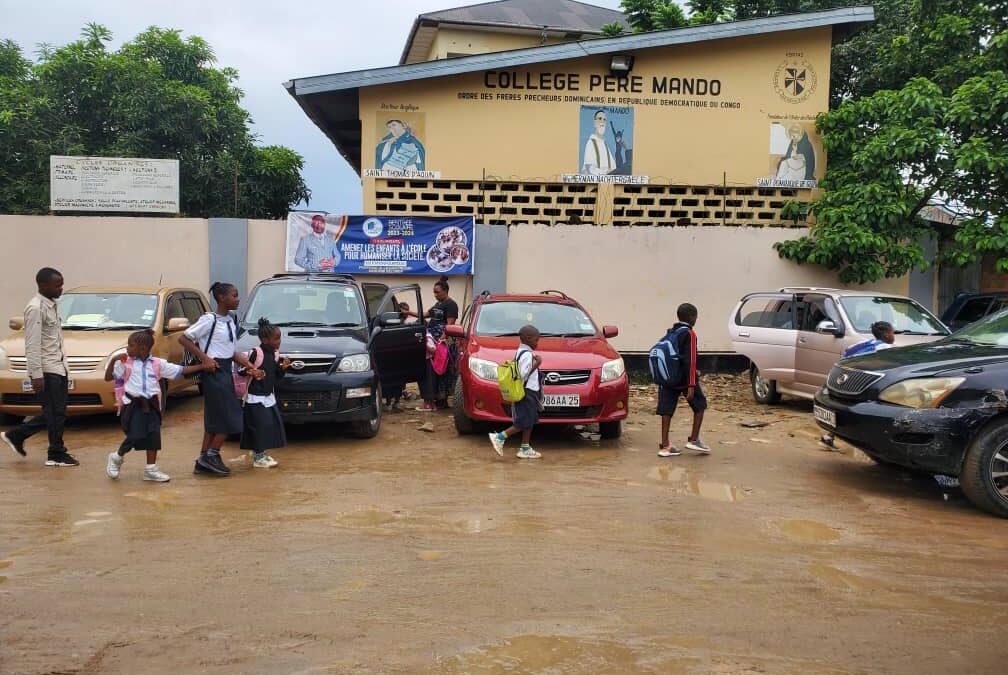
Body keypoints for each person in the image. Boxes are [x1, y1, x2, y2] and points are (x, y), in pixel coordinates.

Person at [179, 282, 264, 477]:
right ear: (221, 298)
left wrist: (251, 367)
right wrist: (205, 359)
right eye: (234, 295)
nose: (238, 299)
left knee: (214, 419)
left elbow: (231, 351)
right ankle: (212, 455)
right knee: (232, 417)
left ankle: (202, 460)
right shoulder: (209, 320)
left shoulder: (231, 320)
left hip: (226, 370)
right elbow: (184, 338)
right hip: (214, 372)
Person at [103, 329, 205, 482]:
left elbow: (181, 370)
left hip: (152, 405)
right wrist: (113, 360)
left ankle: (150, 469)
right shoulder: (125, 363)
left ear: (143, 348)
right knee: (135, 434)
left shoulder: (158, 364)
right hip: (133, 405)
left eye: (131, 346)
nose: (127, 349)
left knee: (153, 436)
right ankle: (117, 457)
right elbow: (108, 377)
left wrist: (203, 366)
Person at [1, 268, 79, 467]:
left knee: (56, 412)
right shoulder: (35, 308)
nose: (61, 289)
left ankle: (19, 436)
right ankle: (55, 453)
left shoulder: (51, 305)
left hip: (58, 367)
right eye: (57, 285)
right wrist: (36, 375)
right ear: (43, 285)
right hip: (47, 369)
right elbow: (32, 344)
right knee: (55, 413)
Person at [821, 321, 895, 448]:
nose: (894, 335)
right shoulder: (887, 349)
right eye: (893, 332)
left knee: (840, 408)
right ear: (887, 334)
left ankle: (828, 437)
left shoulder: (862, 343)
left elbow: (846, 353)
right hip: (856, 382)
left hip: (838, 377)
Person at [657, 303, 711, 457]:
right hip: (684, 379)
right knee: (700, 405)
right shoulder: (689, 333)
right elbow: (691, 360)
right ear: (692, 317)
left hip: (668, 377)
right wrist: (691, 385)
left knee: (666, 410)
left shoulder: (671, 332)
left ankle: (665, 445)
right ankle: (694, 440)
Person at [240, 317, 291, 468]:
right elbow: (241, 370)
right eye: (276, 339)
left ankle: (259, 452)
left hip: (268, 397)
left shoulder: (275, 354)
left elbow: (276, 376)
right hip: (255, 398)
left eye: (279, 338)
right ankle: (259, 457)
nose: (279, 341)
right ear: (265, 339)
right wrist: (253, 371)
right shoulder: (255, 353)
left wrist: (283, 368)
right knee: (259, 426)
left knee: (269, 425)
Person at [488, 325, 543, 459]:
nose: (538, 343)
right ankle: (499, 437)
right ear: (528, 339)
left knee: (530, 419)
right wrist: (537, 364)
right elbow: (523, 375)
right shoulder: (526, 355)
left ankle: (525, 448)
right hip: (527, 391)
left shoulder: (521, 352)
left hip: (531, 391)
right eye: (536, 340)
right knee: (523, 422)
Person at [417, 320, 448, 412]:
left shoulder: (427, 337)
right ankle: (431, 404)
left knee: (427, 383)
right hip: (427, 362)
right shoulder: (427, 336)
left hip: (428, 362)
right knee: (429, 383)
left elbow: (434, 351)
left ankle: (427, 405)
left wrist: (424, 345)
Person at [581, 109, 617, 176]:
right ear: (595, 123)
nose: (602, 122)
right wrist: (605, 172)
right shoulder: (591, 143)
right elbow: (589, 168)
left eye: (604, 119)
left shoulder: (605, 145)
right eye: (600, 119)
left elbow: (613, 167)